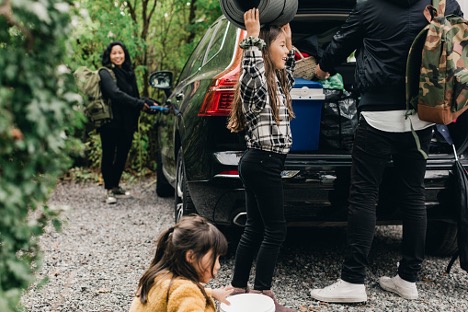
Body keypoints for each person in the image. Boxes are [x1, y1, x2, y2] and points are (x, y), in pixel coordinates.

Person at [311, 0, 463, 303]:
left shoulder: (369, 8)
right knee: (413, 195)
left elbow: (339, 46)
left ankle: (352, 280)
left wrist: (322, 68)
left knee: (365, 194)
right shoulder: (440, 4)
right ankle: (408, 278)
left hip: (378, 113)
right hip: (422, 114)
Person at [226, 8, 296, 312]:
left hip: (262, 163)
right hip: (263, 162)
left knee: (255, 227)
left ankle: (238, 286)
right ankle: (264, 293)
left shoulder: (278, 81)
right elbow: (251, 72)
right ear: (265, 50)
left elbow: (290, 70)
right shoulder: (256, 87)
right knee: (275, 230)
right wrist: (252, 39)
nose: (286, 51)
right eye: (280, 45)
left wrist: (288, 42)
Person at [129, 215, 233, 311]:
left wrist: (213, 293)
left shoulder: (158, 276)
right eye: (214, 258)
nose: (218, 266)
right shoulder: (187, 292)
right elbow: (186, 293)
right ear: (191, 256)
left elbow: (178, 291)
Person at [99, 41, 153, 205]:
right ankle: (109, 189)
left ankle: (115, 185)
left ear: (125, 54)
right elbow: (115, 94)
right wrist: (138, 104)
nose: (117, 56)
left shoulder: (129, 72)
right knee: (109, 154)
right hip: (110, 122)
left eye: (120, 52)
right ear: (109, 55)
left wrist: (150, 103)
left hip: (127, 123)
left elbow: (135, 96)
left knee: (122, 154)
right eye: (114, 53)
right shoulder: (105, 73)